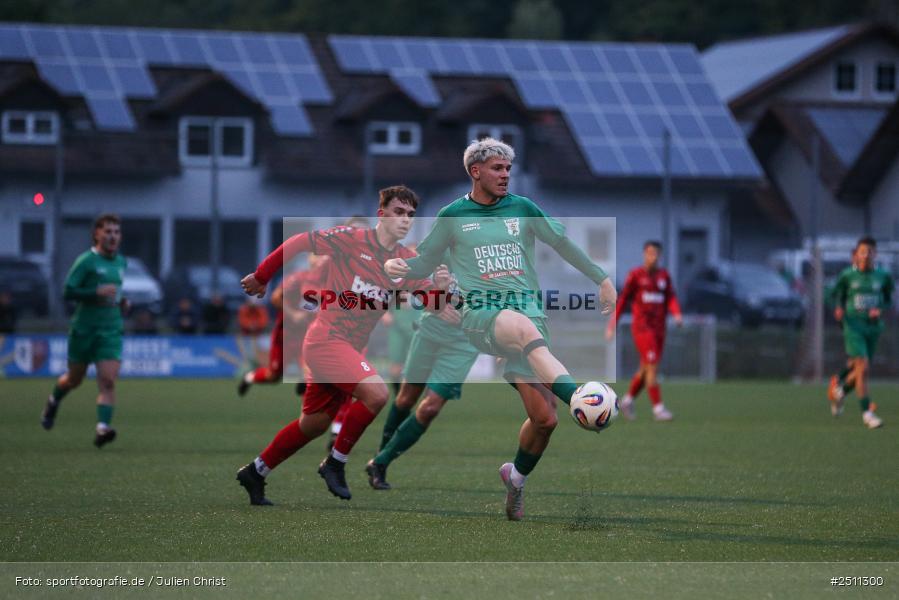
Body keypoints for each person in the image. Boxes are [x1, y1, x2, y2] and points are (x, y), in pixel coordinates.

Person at [384, 138, 616, 520]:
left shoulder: (523, 208)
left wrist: (601, 278)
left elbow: (561, 242)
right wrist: (401, 269)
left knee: (545, 420)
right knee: (521, 329)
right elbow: (424, 262)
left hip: (531, 319)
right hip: (481, 316)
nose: (505, 174)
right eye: (497, 168)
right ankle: (579, 397)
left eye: (508, 169)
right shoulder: (452, 215)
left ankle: (516, 478)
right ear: (475, 172)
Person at [235, 186, 449, 505]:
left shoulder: (406, 260)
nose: (405, 220)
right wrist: (263, 276)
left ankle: (255, 471)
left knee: (314, 424)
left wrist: (442, 291)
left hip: (348, 348)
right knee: (376, 394)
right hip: (326, 340)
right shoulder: (353, 238)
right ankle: (335, 463)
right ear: (381, 214)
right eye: (398, 212)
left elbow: (432, 303)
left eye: (410, 215)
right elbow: (299, 242)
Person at [366, 261, 481, 490]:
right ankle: (382, 456)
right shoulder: (443, 247)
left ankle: (380, 462)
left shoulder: (498, 257)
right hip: (429, 332)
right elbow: (411, 280)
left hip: (464, 343)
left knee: (430, 408)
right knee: (405, 398)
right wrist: (434, 304)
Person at [40, 213, 128, 448]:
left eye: (116, 232)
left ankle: (102, 429)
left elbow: (115, 293)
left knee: (108, 380)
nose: (112, 236)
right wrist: (94, 293)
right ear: (97, 234)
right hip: (84, 330)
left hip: (110, 330)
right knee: (74, 379)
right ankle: (53, 401)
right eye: (107, 231)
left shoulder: (121, 262)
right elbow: (68, 291)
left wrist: (122, 302)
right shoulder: (86, 261)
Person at [605, 241, 683, 421]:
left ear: (659, 256)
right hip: (642, 328)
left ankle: (627, 401)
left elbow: (670, 297)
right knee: (652, 366)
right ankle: (658, 409)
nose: (652, 257)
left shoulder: (664, 276)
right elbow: (623, 301)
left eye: (656, 254)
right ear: (644, 255)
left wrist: (677, 314)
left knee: (646, 368)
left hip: (659, 329)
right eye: (649, 253)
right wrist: (612, 325)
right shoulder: (636, 275)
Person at [237, 253, 328, 397]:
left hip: (309, 337)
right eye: (316, 255)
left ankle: (311, 410)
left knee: (311, 374)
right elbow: (275, 298)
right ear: (309, 259)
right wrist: (293, 315)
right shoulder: (298, 278)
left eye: (325, 255)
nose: (321, 259)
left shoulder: (331, 283)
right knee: (273, 376)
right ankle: (249, 377)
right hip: (286, 335)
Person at [827, 237, 894, 429]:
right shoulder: (847, 275)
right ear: (856, 255)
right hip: (853, 326)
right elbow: (834, 295)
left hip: (873, 328)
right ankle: (867, 413)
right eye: (863, 252)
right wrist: (839, 308)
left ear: (875, 254)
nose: (866, 255)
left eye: (870, 252)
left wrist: (880, 310)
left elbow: (889, 300)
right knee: (862, 367)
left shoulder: (883, 276)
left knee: (858, 370)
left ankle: (839, 392)